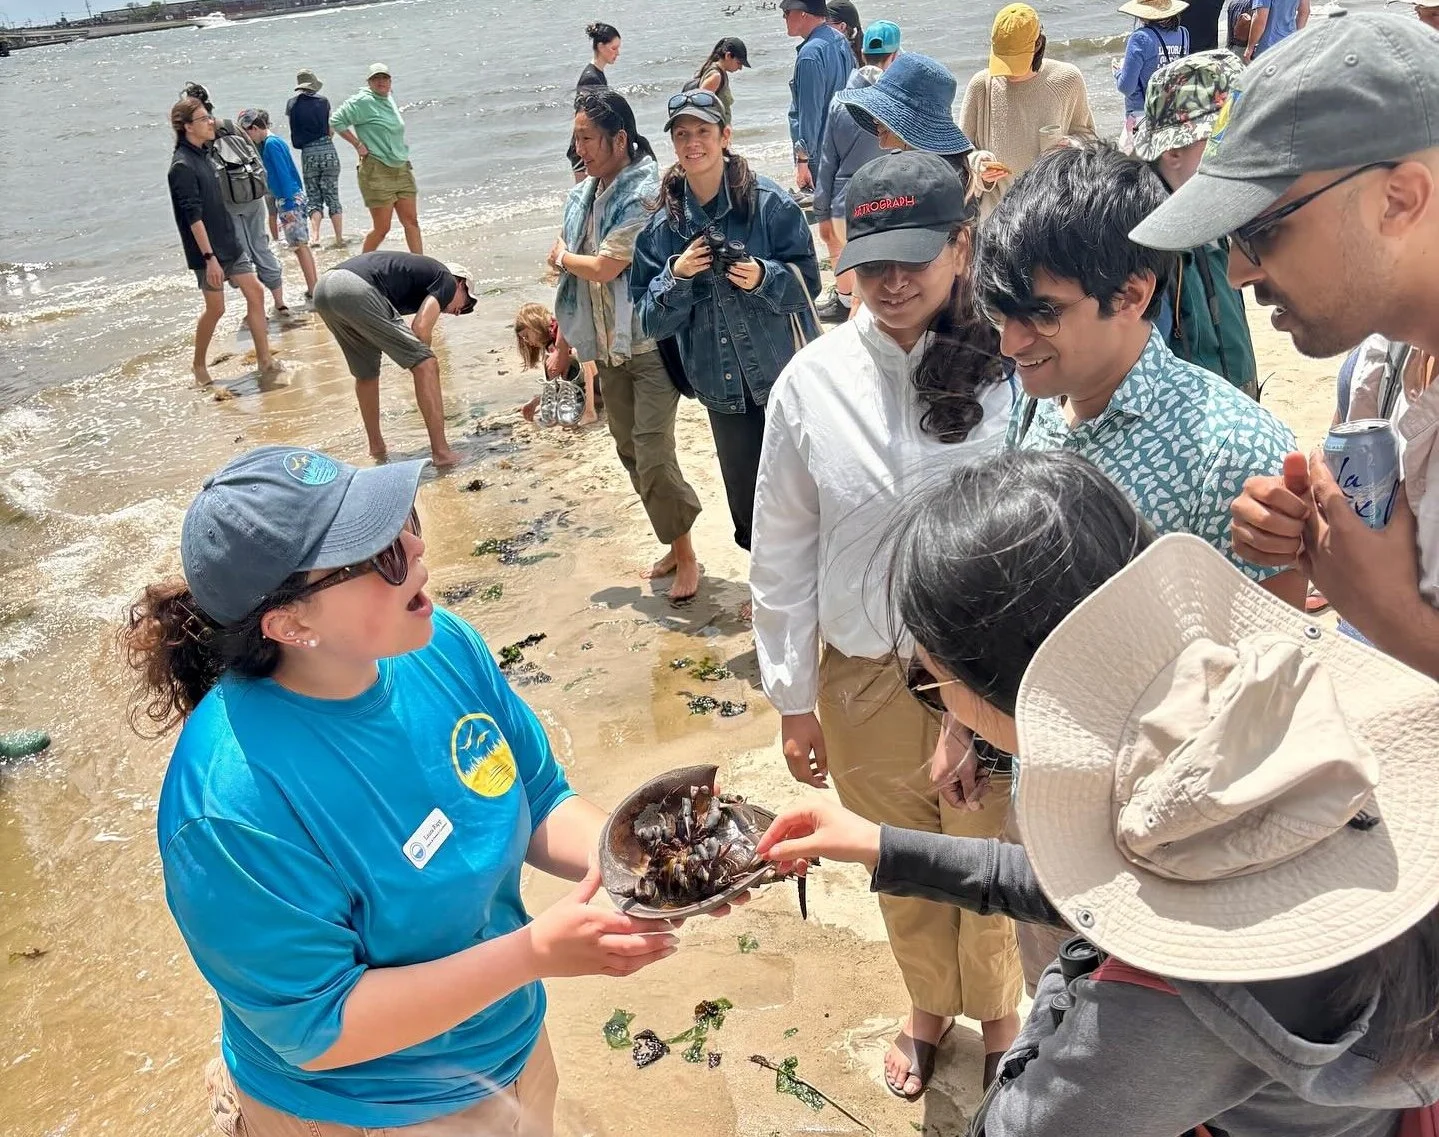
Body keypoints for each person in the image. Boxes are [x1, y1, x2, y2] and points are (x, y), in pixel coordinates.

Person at [757, 497, 1439, 1136]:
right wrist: (883, 846)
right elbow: (1106, 895)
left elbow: (1017, 1118)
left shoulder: (1157, 1009)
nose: (936, 705)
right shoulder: (1251, 768)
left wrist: (1069, 976)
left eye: (928, 685)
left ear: (1000, 690)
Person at [122, 446, 699, 1137]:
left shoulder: (438, 645)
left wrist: (655, 866)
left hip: (508, 1041)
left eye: (402, 518)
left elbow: (540, 797)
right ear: (290, 624)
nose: (417, 546)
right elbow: (320, 1025)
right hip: (368, 1109)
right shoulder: (231, 803)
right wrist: (533, 953)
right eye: (380, 554)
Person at [751, 151, 1024, 1100]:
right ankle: (926, 1008)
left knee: (990, 851)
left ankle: (999, 1016)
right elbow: (780, 549)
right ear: (841, 252)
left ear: (961, 244)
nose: (894, 281)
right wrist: (791, 698)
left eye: (916, 256)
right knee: (895, 859)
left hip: (984, 676)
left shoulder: (1010, 367)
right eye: (872, 261)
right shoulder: (810, 384)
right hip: (861, 672)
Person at [1130, 12, 1439, 681]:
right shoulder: (1374, 370)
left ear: (1398, 200)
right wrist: (1308, 538)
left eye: (1261, 231)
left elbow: (1390, 606)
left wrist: (1389, 615)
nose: (1238, 272)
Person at [978, 141, 1301, 603]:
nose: (1011, 344)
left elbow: (1274, 657)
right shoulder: (1041, 399)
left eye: (1042, 314)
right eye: (999, 314)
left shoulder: (1234, 451)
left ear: (1130, 296)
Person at [632, 89, 820, 582]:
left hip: (783, 376)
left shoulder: (770, 205)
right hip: (722, 390)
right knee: (750, 504)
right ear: (672, 144)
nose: (693, 143)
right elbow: (648, 320)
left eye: (703, 132)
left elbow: (809, 284)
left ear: (725, 137)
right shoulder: (661, 231)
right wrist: (678, 276)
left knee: (805, 491)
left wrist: (764, 276)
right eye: (682, 134)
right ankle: (771, 589)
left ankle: (815, 587)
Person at [550, 88, 704, 603]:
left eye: (588, 138)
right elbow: (580, 270)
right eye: (575, 139)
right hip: (607, 347)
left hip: (648, 343)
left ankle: (687, 557)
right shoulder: (589, 192)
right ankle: (674, 537)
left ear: (620, 138)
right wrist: (564, 342)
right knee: (629, 451)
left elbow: (606, 266)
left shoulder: (643, 193)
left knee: (654, 453)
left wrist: (562, 257)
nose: (580, 150)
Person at [1132, 50, 1257, 393]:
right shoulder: (1145, 242)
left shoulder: (1203, 206)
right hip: (1193, 424)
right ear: (1173, 151)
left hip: (1235, 397)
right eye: (1222, 139)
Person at [310, 252, 474, 467]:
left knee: (366, 374)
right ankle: (442, 453)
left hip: (323, 289)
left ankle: (376, 447)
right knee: (427, 364)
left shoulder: (421, 280)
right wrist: (424, 365)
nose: (459, 313)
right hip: (354, 286)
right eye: (467, 303)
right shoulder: (446, 279)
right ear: (460, 283)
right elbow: (421, 328)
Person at [167, 96, 277, 387]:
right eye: (204, 119)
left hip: (229, 242)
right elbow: (193, 217)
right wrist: (209, 258)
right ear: (188, 127)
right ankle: (198, 365)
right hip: (207, 251)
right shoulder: (182, 165)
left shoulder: (205, 154)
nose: (211, 122)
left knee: (255, 293)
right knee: (217, 309)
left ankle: (265, 360)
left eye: (209, 117)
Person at [961, 5, 1095, 215]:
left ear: (1038, 45)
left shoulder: (1067, 80)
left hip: (1052, 217)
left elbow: (1089, 139)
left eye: (1015, 61)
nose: (1008, 72)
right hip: (997, 222)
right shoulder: (982, 85)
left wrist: (1071, 146)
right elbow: (961, 153)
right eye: (1003, 59)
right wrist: (979, 167)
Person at [182, 82, 292, 320]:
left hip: (226, 203)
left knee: (241, 254)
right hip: (252, 195)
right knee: (261, 246)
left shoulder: (201, 133)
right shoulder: (231, 125)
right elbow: (255, 156)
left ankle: (255, 308)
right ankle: (280, 302)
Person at [812, 33, 892, 322]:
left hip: (842, 203)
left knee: (844, 261)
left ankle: (844, 305)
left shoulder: (838, 103)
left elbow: (826, 162)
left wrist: (821, 211)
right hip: (882, 202)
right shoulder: (891, 106)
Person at [331, 64, 421, 255]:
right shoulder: (362, 101)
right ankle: (360, 267)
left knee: (412, 222)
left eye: (384, 78)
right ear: (369, 82)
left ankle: (423, 266)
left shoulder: (388, 98)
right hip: (376, 169)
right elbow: (336, 120)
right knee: (382, 228)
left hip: (401, 166)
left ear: (390, 81)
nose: (381, 82)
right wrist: (357, 144)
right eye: (376, 78)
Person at [239, 109, 319, 301]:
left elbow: (283, 174)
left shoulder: (271, 145)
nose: (248, 138)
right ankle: (313, 286)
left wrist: (288, 203)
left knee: (300, 245)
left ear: (256, 128)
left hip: (288, 199)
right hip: (292, 197)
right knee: (300, 246)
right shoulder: (273, 141)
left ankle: (314, 288)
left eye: (248, 133)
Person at [783, 0, 855, 193]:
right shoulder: (840, 40)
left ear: (803, 13)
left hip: (819, 155)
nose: (784, 17)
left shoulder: (810, 55)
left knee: (826, 217)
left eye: (787, 12)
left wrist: (803, 161)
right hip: (842, 147)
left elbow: (810, 112)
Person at [1114, 0, 1189, 149]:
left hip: (1140, 115)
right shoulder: (1183, 34)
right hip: (1171, 113)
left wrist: (1117, 72)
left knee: (1125, 164)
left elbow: (1126, 88)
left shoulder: (1140, 37)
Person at [513, 302, 598, 428]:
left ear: (533, 324)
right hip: (593, 385)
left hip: (601, 375)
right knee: (553, 363)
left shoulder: (560, 328)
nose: (528, 343)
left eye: (526, 336)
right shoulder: (550, 345)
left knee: (575, 354)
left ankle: (589, 412)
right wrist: (537, 401)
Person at [286, 68, 344, 247]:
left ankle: (315, 237)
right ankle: (339, 238)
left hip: (308, 153)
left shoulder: (291, 104)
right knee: (332, 196)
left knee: (313, 196)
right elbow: (329, 128)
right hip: (328, 150)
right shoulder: (323, 101)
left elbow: (294, 133)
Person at [566, 24, 621, 183]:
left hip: (587, 147)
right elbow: (586, 119)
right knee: (586, 203)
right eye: (614, 48)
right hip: (583, 151)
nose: (618, 53)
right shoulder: (591, 78)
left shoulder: (597, 75)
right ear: (600, 46)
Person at [689, 36, 751, 123]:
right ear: (728, 56)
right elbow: (699, 107)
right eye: (739, 63)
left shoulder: (720, 73)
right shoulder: (716, 76)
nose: (740, 68)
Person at [1242, 0, 1309, 59]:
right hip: (1289, 44)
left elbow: (1260, 18)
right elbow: (1304, 12)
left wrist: (1250, 48)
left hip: (1267, 49)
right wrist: (1296, 37)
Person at [827, 0, 865, 66]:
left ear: (842, 26)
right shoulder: (862, 53)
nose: (821, 28)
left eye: (826, 24)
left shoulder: (836, 56)